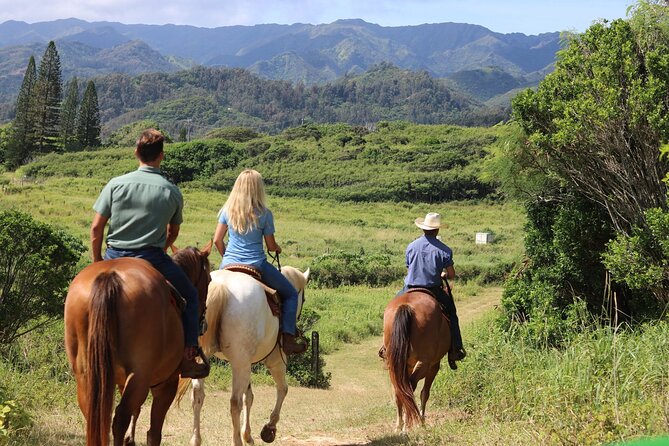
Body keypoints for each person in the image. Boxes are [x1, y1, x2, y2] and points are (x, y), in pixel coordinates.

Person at [90, 128, 209, 379]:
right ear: (161, 156)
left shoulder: (115, 184)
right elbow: (173, 232)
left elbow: (96, 228)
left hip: (113, 256)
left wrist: (97, 262)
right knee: (189, 296)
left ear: (136, 153)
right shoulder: (171, 191)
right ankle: (189, 356)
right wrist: (162, 248)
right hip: (151, 257)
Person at [213, 169, 306, 355]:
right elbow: (271, 246)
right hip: (256, 265)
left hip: (228, 265)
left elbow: (217, 240)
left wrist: (227, 258)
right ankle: (288, 339)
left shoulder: (227, 211)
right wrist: (277, 248)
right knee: (290, 295)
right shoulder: (264, 214)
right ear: (258, 188)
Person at [402, 212, 466, 369]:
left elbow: (409, 267)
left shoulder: (411, 246)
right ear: (437, 230)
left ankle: (385, 346)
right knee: (451, 313)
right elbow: (451, 275)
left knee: (391, 308)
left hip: (410, 287)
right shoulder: (444, 250)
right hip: (432, 289)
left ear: (423, 229)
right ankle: (455, 349)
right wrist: (442, 273)